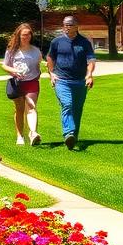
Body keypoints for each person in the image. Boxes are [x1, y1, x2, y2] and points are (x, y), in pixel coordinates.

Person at [46, 15, 96, 150]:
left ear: (76, 26)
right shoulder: (57, 41)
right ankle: (68, 133)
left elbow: (91, 60)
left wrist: (89, 75)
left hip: (80, 81)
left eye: (70, 24)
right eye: (65, 25)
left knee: (77, 109)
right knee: (67, 104)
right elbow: (50, 58)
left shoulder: (84, 42)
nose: (67, 27)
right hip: (62, 80)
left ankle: (74, 136)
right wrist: (51, 73)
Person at [2, 22, 42, 145]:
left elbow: (40, 65)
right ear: (18, 36)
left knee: (31, 107)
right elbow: (4, 65)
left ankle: (33, 133)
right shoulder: (12, 51)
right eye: (24, 35)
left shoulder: (36, 51)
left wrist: (42, 70)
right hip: (17, 83)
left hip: (32, 82)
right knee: (19, 109)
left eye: (29, 35)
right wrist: (14, 71)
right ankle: (20, 136)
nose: (26, 37)